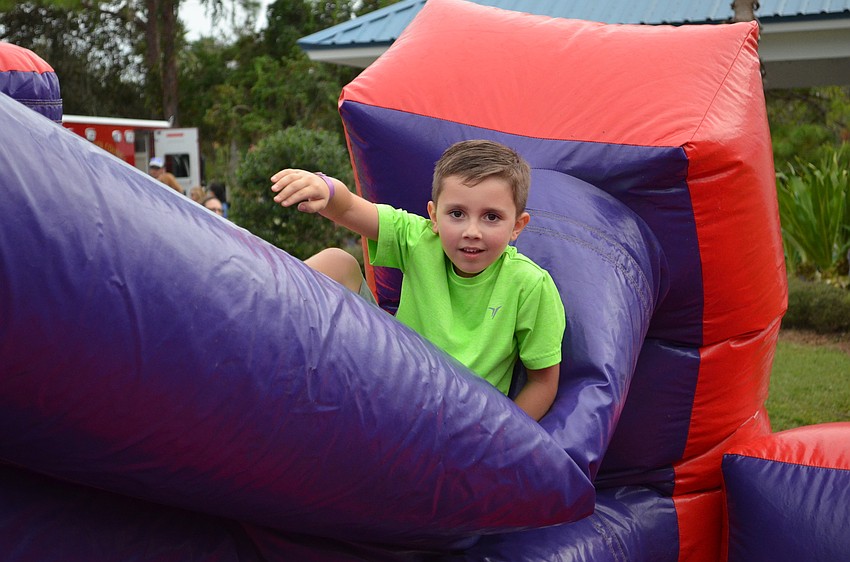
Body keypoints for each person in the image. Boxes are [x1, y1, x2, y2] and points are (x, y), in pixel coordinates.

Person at [270, 140, 565, 421]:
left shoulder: (529, 284)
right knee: (337, 262)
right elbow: (349, 209)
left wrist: (503, 437)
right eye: (457, 214)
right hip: (391, 377)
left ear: (517, 226)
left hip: (457, 414)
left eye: (491, 217)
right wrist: (325, 187)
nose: (472, 231)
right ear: (434, 216)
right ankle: (263, 332)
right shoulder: (420, 240)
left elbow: (543, 382)